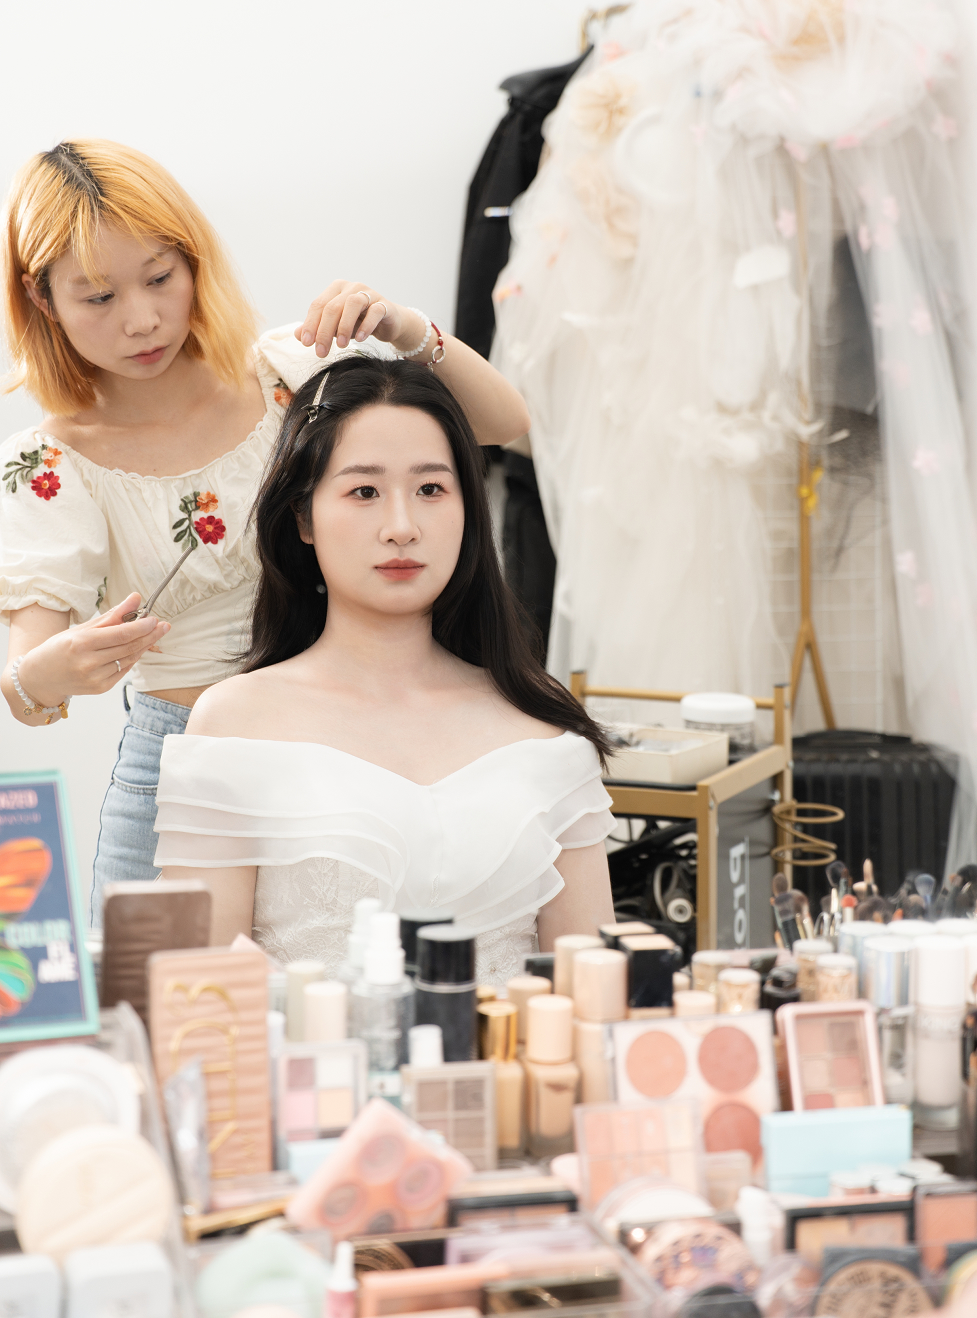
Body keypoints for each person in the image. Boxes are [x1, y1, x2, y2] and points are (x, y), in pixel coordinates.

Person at [0, 140, 530, 921]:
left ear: (193, 263)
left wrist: (401, 324)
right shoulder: (53, 464)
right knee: (158, 992)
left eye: (159, 278)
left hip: (344, 746)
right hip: (179, 763)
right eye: (98, 297)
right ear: (42, 300)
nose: (142, 320)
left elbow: (501, 423)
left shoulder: (289, 374)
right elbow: (29, 679)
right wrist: (46, 674)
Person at [154, 355, 615, 984]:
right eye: (364, 492)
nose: (402, 528)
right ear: (303, 517)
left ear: (468, 510)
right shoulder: (235, 722)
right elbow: (201, 994)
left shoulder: (542, 729)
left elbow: (591, 996)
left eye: (431, 490)